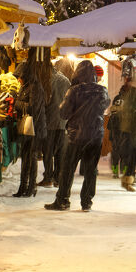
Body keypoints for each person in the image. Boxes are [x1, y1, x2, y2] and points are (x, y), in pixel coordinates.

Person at [44, 60, 110, 212]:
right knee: (90, 170)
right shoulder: (103, 90)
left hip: (76, 135)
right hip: (95, 135)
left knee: (68, 169)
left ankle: (62, 200)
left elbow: (64, 113)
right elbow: (105, 106)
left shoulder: (74, 90)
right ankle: (86, 202)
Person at [12, 48, 49, 197]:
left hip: (35, 129)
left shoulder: (35, 87)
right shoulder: (26, 86)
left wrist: (17, 103)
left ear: (25, 75)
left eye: (19, 77)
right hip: (28, 128)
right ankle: (23, 187)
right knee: (25, 158)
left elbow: (32, 108)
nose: (18, 80)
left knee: (31, 158)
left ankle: (31, 187)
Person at [39, 61, 71, 188]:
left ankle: (48, 178)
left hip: (50, 120)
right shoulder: (66, 80)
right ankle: (58, 178)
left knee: (48, 151)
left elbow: (44, 101)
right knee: (60, 152)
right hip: (63, 121)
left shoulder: (47, 81)